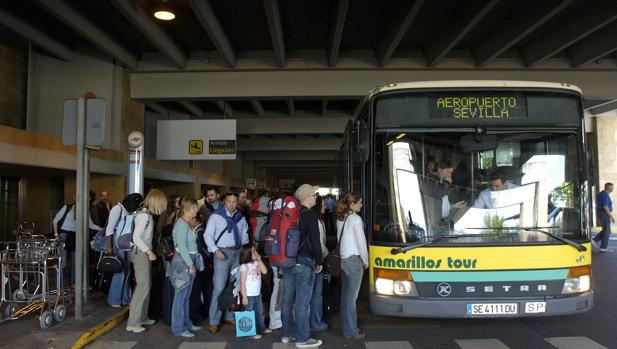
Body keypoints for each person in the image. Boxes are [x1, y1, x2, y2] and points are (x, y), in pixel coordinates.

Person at [281, 184, 323, 348]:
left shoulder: (291, 213)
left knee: (287, 300)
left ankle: (286, 335)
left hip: (288, 262)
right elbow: (315, 241)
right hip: (304, 263)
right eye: (313, 195)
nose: (315, 197)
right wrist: (318, 261)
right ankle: (302, 339)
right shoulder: (310, 215)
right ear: (305, 197)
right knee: (302, 303)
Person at [204, 192, 249, 333]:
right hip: (222, 254)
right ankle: (214, 321)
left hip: (236, 253)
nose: (231, 204)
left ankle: (229, 316)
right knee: (219, 287)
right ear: (224, 202)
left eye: (234, 202)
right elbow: (207, 235)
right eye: (229, 201)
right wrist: (215, 250)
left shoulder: (240, 217)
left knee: (233, 287)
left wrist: (245, 254)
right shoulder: (216, 216)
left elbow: (244, 235)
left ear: (237, 203)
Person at [126, 188, 167, 333]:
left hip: (142, 253)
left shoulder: (144, 214)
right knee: (142, 287)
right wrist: (149, 252)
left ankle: (142, 317)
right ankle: (133, 323)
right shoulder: (145, 216)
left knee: (146, 286)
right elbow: (136, 238)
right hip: (141, 253)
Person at [170, 198, 204, 337]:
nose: (197, 210)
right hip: (183, 263)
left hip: (190, 260)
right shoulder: (181, 225)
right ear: (189, 208)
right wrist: (190, 265)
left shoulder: (188, 223)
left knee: (186, 297)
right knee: (180, 297)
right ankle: (178, 328)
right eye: (195, 208)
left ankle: (187, 323)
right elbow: (182, 247)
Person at [336, 192, 368, 340]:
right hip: (354, 261)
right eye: (360, 202)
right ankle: (351, 331)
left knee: (345, 296)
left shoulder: (341, 218)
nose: (361, 205)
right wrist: (366, 260)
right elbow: (361, 242)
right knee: (351, 298)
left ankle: (347, 328)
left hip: (343, 260)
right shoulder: (355, 218)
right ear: (353, 204)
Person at [52, 196, 102, 285]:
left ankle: (73, 284)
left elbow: (91, 225)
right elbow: (55, 220)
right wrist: (56, 234)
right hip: (64, 235)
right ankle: (60, 285)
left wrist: (102, 229)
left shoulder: (85, 211)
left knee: (76, 262)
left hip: (76, 236)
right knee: (62, 262)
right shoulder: (67, 207)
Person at [106, 193, 143, 307]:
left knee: (127, 272)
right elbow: (109, 229)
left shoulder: (127, 210)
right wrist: (109, 247)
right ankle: (114, 299)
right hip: (118, 245)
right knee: (120, 272)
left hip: (126, 244)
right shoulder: (117, 209)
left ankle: (125, 299)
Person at [239, 244, 271, 339]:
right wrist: (244, 296)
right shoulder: (244, 267)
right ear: (247, 254)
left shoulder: (256, 263)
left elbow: (264, 271)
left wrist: (260, 260)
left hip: (257, 294)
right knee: (249, 313)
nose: (256, 253)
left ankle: (261, 328)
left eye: (255, 251)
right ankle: (249, 332)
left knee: (259, 312)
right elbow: (242, 283)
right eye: (253, 252)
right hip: (249, 295)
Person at [310, 196, 329, 332]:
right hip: (317, 261)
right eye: (322, 204)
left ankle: (313, 320)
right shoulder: (317, 222)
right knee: (317, 293)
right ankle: (316, 322)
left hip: (309, 260)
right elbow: (320, 244)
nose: (325, 207)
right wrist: (328, 256)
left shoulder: (315, 220)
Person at [592, 182, 615, 253]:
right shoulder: (605, 194)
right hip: (604, 213)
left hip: (602, 212)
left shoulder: (603, 194)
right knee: (606, 230)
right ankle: (603, 247)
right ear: (609, 188)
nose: (613, 188)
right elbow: (605, 206)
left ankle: (595, 240)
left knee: (607, 230)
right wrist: (611, 217)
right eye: (612, 187)